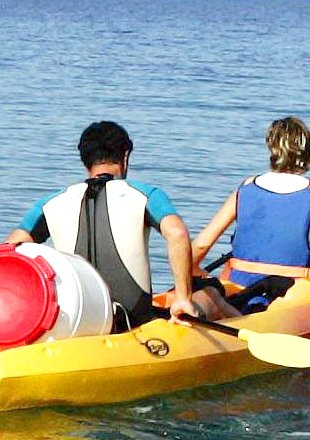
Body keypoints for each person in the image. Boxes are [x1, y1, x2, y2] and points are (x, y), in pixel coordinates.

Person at [14, 120, 203, 333]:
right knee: (209, 295)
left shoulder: (50, 203)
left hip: (74, 324)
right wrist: (183, 298)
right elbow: (177, 234)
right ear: (126, 157)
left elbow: (11, 247)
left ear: (85, 163)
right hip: (133, 323)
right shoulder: (146, 195)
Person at [190, 116, 310, 308]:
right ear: (308, 152)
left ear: (271, 148)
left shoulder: (245, 188)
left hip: (239, 287)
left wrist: (193, 268)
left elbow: (200, 245)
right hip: (293, 293)